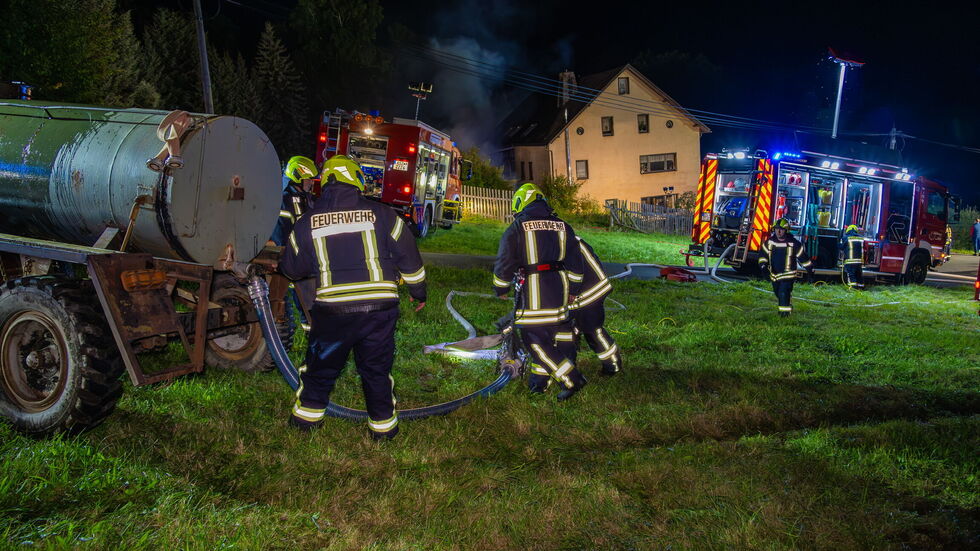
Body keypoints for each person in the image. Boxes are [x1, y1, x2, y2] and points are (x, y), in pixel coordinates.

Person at [281, 155, 426, 440]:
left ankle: (305, 422)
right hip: (380, 309)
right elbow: (410, 259)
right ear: (357, 180)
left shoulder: (307, 221)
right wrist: (418, 292)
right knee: (376, 369)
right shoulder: (383, 214)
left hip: (332, 311)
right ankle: (383, 430)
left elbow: (292, 269)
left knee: (321, 367)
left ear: (325, 182)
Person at [492, 183, 587, 400]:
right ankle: (539, 383)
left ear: (520, 203)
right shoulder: (563, 226)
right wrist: (573, 290)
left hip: (535, 296)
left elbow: (505, 262)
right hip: (560, 292)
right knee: (550, 338)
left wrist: (500, 287)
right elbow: (576, 264)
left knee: (535, 342)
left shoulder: (517, 227)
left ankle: (572, 379)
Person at [271, 156, 318, 330]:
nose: (311, 182)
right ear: (298, 177)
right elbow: (281, 233)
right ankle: (306, 331)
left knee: (309, 302)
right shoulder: (285, 200)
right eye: (309, 179)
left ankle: (309, 331)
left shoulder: (305, 198)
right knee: (298, 301)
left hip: (303, 258)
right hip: (292, 259)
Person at [567, 236, 623, 376]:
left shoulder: (561, 238)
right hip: (583, 290)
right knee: (569, 329)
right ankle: (569, 365)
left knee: (592, 331)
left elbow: (575, 269)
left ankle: (612, 366)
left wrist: (571, 291)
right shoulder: (560, 233)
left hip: (589, 291)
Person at [758, 218, 813, 316]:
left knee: (783, 292)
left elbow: (803, 258)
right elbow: (762, 256)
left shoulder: (794, 243)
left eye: (781, 229)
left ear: (786, 230)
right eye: (776, 229)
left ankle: (785, 314)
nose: (778, 232)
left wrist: (810, 270)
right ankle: (787, 306)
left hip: (788, 275)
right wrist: (763, 267)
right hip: (774, 275)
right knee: (778, 293)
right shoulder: (770, 242)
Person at [840, 224, 864, 289]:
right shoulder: (861, 238)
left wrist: (837, 243)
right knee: (859, 274)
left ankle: (853, 288)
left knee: (851, 275)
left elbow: (841, 247)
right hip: (859, 261)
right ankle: (861, 287)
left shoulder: (846, 237)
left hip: (850, 261)